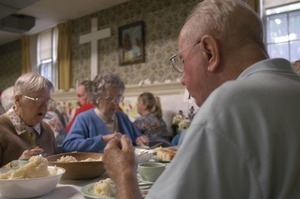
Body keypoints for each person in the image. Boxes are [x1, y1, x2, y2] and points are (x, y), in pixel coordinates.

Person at [102, 0, 300, 198]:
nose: (182, 79)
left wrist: (124, 174)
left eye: (183, 61)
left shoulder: (230, 102)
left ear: (209, 51)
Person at [62, 72, 149, 153]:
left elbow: (137, 137)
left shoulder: (122, 117)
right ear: (97, 98)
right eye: (109, 97)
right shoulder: (84, 119)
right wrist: (103, 139)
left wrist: (140, 139)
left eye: (118, 97)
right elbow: (68, 146)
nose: (115, 102)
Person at [0, 72, 59, 167]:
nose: (44, 107)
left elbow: (57, 166)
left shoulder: (47, 129)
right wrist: (17, 165)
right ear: (18, 100)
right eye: (38, 100)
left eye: (47, 101)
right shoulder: (2, 128)